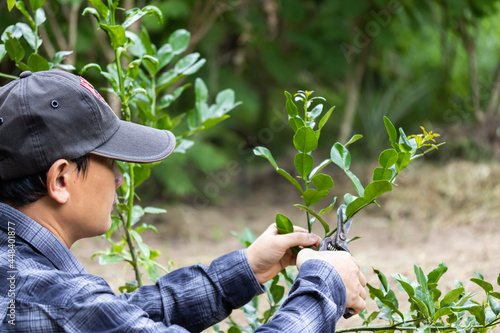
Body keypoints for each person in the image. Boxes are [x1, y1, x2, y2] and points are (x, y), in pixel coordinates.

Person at [0, 70, 367, 332]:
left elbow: (114, 318)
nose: (119, 178)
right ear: (61, 179)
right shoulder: (54, 300)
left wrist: (245, 269)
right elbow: (80, 312)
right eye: (109, 162)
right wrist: (325, 286)